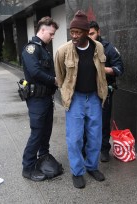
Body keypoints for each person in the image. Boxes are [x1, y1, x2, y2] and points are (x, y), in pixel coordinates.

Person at [55, 10, 108, 189]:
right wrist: (66, 94)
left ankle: (92, 166)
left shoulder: (98, 47)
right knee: (75, 138)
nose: (74, 36)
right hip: (75, 99)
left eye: (78, 32)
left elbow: (101, 73)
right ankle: (77, 171)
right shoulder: (63, 51)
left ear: (87, 32)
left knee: (95, 136)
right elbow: (60, 76)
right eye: (72, 32)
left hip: (94, 97)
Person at [21, 16, 59, 182]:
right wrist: (54, 80)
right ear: (42, 30)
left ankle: (43, 156)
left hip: (46, 98)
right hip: (36, 99)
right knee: (37, 133)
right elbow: (35, 72)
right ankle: (27, 168)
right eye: (51, 33)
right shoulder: (31, 49)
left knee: (46, 131)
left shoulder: (43, 49)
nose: (52, 37)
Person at [87, 21, 124, 162]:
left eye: (92, 34)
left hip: (104, 91)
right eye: (87, 34)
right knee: (86, 121)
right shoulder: (82, 47)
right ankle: (88, 148)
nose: (89, 37)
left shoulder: (108, 48)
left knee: (103, 121)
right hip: (86, 91)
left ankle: (103, 149)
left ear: (98, 32)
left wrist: (102, 70)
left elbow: (120, 69)